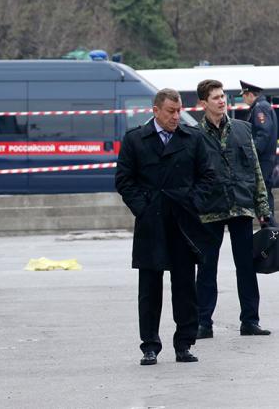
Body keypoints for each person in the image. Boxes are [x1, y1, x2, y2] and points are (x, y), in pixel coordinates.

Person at [115, 88, 216, 365]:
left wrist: (193, 202)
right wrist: (143, 208)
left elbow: (207, 176)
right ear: (156, 110)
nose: (176, 116)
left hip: (183, 221)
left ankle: (184, 343)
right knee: (149, 288)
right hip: (151, 222)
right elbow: (124, 180)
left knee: (185, 286)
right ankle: (149, 345)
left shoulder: (193, 138)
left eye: (179, 110)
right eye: (170, 111)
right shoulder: (135, 139)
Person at [195, 79, 272, 339]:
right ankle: (203, 322)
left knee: (246, 266)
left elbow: (256, 170)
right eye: (215, 97)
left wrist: (262, 206)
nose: (221, 101)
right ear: (203, 103)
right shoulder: (194, 135)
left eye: (222, 96)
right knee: (206, 267)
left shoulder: (242, 129)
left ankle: (250, 320)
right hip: (210, 208)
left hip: (241, 205)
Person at [240, 80, 278, 217]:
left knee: (262, 194)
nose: (243, 99)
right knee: (265, 193)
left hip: (263, 159)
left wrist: (251, 153)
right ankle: (271, 231)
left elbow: (263, 133)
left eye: (243, 96)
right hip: (267, 158)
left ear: (249, 94)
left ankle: (270, 229)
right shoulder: (263, 106)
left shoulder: (260, 108)